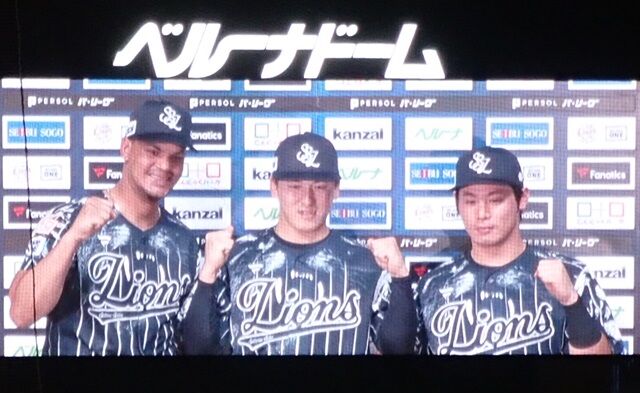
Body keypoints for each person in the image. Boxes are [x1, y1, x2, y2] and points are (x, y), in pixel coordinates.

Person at [183, 132, 416, 355]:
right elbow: (198, 349)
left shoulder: (366, 261)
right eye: (295, 186)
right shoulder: (237, 257)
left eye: (319, 186)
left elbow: (398, 348)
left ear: (336, 189)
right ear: (274, 186)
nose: (307, 199)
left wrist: (400, 275)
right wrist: (208, 274)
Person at [9, 99, 200, 356]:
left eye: (176, 157)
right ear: (126, 148)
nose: (165, 166)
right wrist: (73, 238)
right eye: (153, 152)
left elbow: (190, 338)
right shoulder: (68, 220)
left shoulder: (184, 240)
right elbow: (21, 313)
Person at [415, 145, 624, 355]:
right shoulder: (432, 285)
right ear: (457, 203)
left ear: (522, 199)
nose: (482, 213)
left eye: (495, 200)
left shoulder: (573, 276)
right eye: (470, 201)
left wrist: (571, 302)